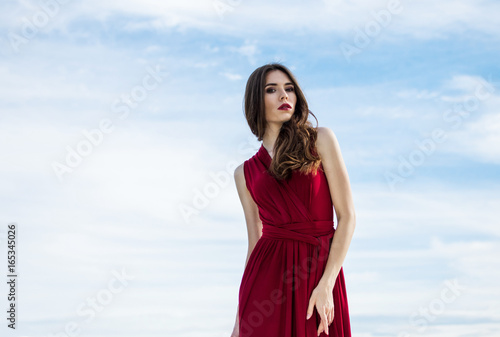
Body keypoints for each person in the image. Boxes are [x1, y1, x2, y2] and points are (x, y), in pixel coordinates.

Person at [231, 63, 356, 337]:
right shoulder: (243, 173)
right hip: (265, 285)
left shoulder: (321, 140)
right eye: (271, 90)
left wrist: (326, 284)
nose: (284, 96)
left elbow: (347, 217)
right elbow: (255, 242)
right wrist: (240, 320)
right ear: (256, 100)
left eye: (289, 89)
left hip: (318, 272)